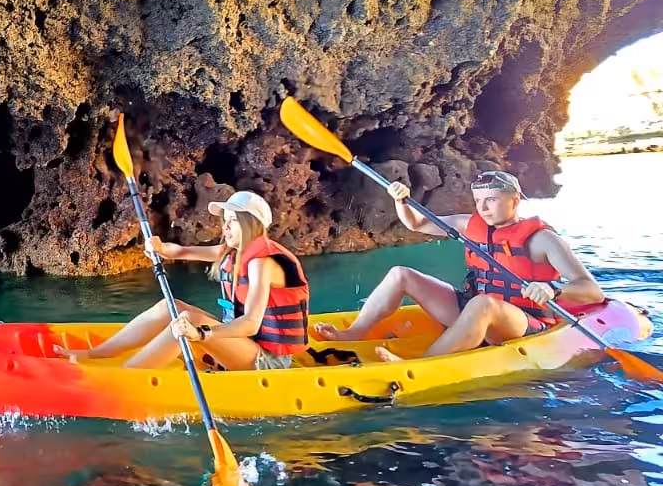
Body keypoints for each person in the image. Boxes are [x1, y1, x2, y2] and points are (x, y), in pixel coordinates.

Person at [312, 169, 602, 359]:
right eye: (479, 200)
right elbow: (417, 223)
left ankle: (426, 363)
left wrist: (551, 289)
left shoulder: (542, 240)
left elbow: (591, 290)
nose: (483, 208)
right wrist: (402, 201)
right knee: (401, 274)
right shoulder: (469, 224)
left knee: (484, 304)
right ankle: (353, 333)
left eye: (492, 200)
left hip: (524, 321)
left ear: (515, 201)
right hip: (472, 307)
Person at [71, 190, 310, 370]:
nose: (225, 226)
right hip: (240, 343)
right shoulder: (231, 252)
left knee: (189, 319)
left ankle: (126, 377)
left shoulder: (262, 263)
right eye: (225, 220)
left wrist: (202, 334)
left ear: (251, 225)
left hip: (267, 360)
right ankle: (97, 354)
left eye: (233, 221)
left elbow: (250, 324)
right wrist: (160, 247)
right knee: (170, 307)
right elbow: (182, 252)